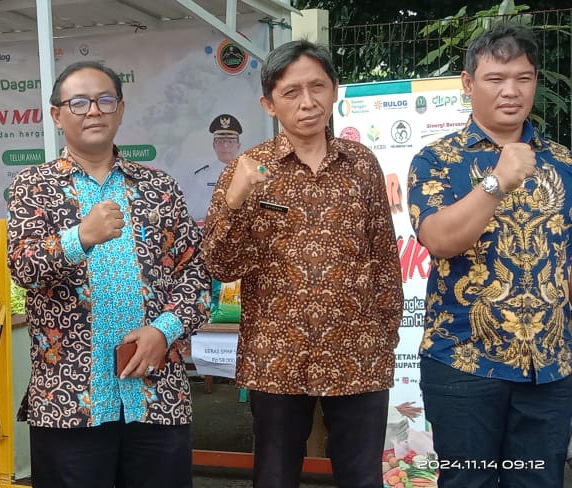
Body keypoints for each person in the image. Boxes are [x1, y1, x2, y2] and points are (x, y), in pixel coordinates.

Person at [202, 40, 403, 488]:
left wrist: (384, 336)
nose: (307, 102)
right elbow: (219, 264)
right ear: (269, 104)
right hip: (275, 356)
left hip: (358, 353)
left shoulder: (362, 164)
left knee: (362, 476)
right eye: (291, 92)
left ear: (334, 91)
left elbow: (384, 257)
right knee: (274, 476)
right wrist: (236, 201)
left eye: (317, 87)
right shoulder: (246, 169)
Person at [6, 61, 210, 488]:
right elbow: (23, 268)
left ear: (120, 109)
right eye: (79, 103)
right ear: (57, 114)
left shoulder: (159, 187)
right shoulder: (34, 186)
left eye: (104, 100)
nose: (94, 111)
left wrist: (164, 330)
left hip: (157, 395)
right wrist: (79, 237)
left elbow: (196, 273)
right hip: (69, 400)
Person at [407, 24, 572, 486]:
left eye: (523, 78)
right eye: (495, 79)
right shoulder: (436, 160)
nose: (511, 91)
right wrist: (497, 182)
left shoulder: (563, 162)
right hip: (464, 362)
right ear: (468, 83)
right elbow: (439, 239)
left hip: (549, 368)